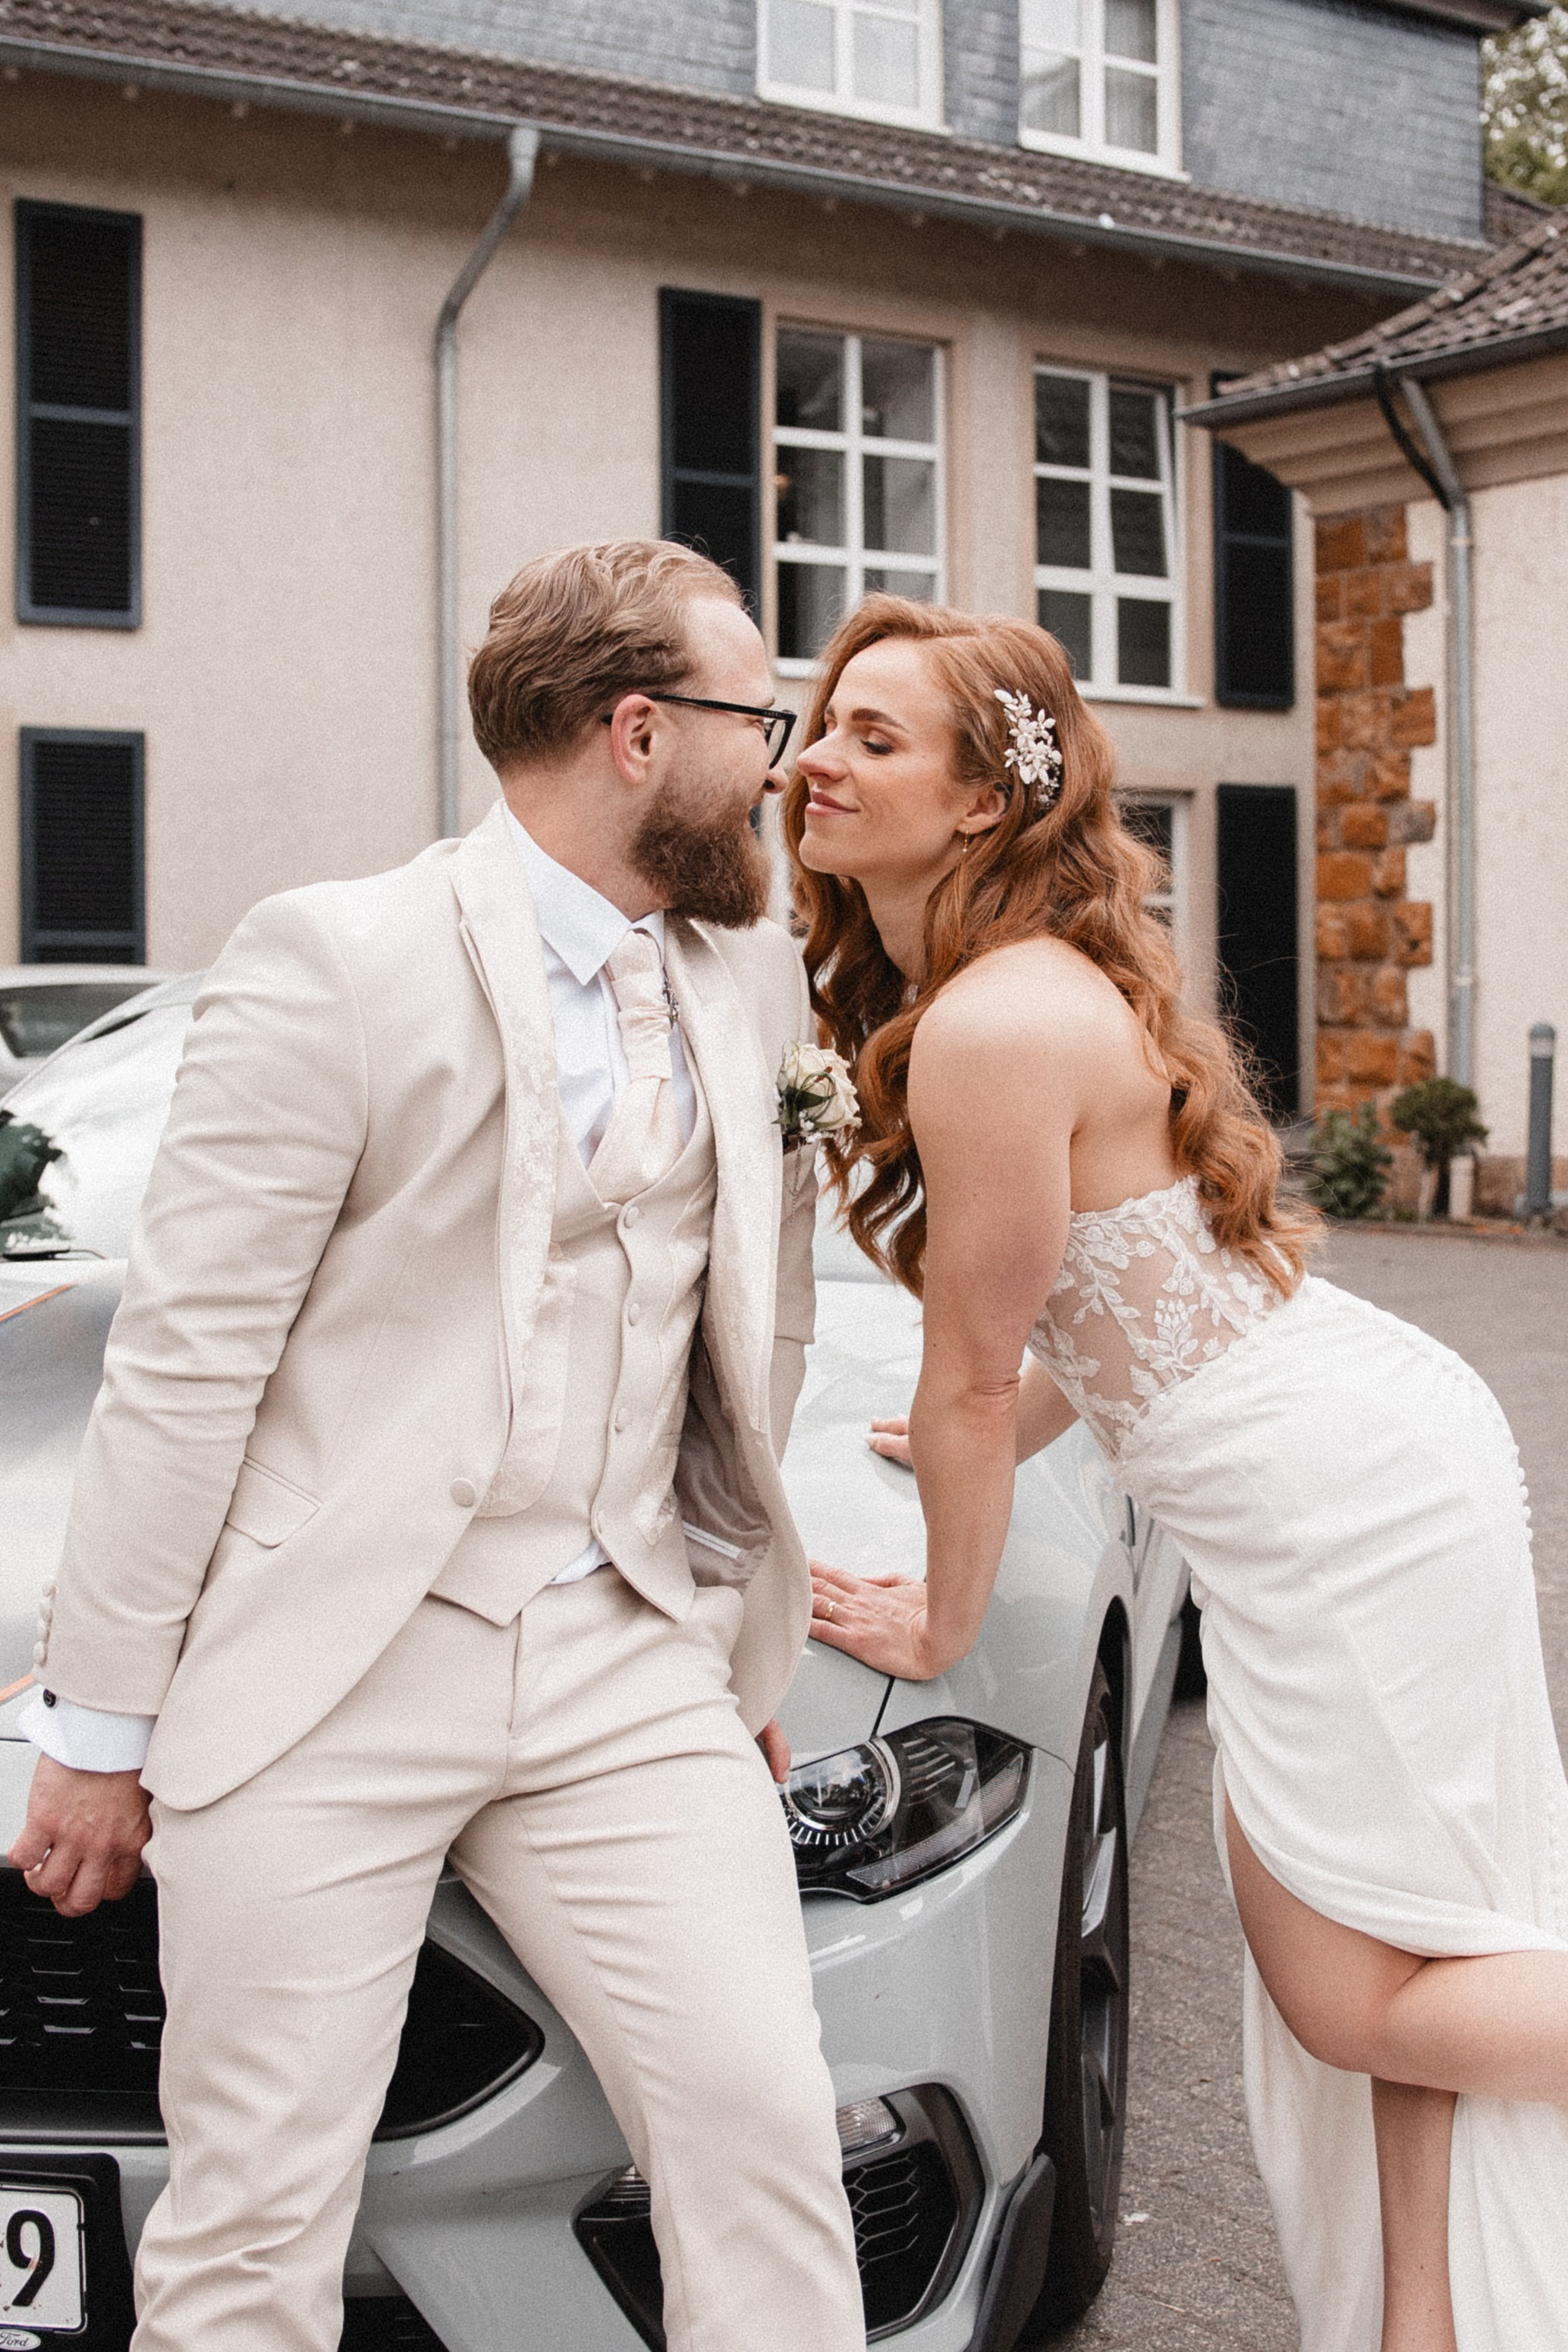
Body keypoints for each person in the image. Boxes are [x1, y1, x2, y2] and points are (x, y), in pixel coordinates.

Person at [8, 539, 867, 2352]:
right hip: (326, 1667)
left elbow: (748, 1324)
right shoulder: (340, 957)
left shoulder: (744, 977)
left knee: (768, 2138)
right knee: (252, 2224)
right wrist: (98, 1731)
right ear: (639, 731)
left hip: (625, 1659)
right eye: (755, 717)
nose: (775, 761)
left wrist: (726, 1613)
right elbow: (188, 1362)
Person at [786, 592, 1568, 2352]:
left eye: (872, 735)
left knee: (1345, 1986)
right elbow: (1110, 1299)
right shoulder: (1017, 990)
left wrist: (940, 1611)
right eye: (823, 722)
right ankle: (1420, 2322)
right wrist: (995, 1421)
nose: (815, 756)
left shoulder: (992, 1018)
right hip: (1344, 1452)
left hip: (1336, 1505)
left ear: (982, 800)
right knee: (1407, 1950)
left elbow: (979, 1366)